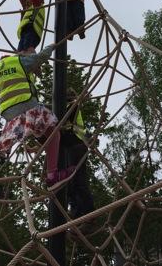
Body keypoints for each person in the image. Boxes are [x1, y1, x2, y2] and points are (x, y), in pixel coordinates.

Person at [0, 45, 75, 191]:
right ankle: (52, 176)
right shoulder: (18, 61)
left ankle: (13, 147)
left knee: (43, 133)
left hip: (8, 113)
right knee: (54, 132)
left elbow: (17, 82)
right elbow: (39, 58)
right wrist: (51, 47)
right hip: (26, 105)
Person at [61, 88, 94, 231]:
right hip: (70, 147)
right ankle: (76, 217)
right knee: (70, 184)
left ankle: (88, 216)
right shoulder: (68, 109)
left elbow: (74, 106)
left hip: (77, 145)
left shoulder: (72, 107)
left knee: (78, 182)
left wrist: (79, 98)